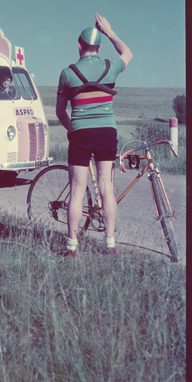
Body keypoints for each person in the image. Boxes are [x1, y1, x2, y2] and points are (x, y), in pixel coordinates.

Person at [55, 13, 133, 257]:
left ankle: (72, 246)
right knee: (106, 187)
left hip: (80, 132)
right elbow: (128, 53)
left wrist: (73, 129)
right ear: (99, 48)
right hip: (106, 131)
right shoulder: (110, 67)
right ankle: (110, 243)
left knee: (77, 190)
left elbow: (60, 112)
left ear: (79, 46)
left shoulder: (67, 73)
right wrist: (109, 32)